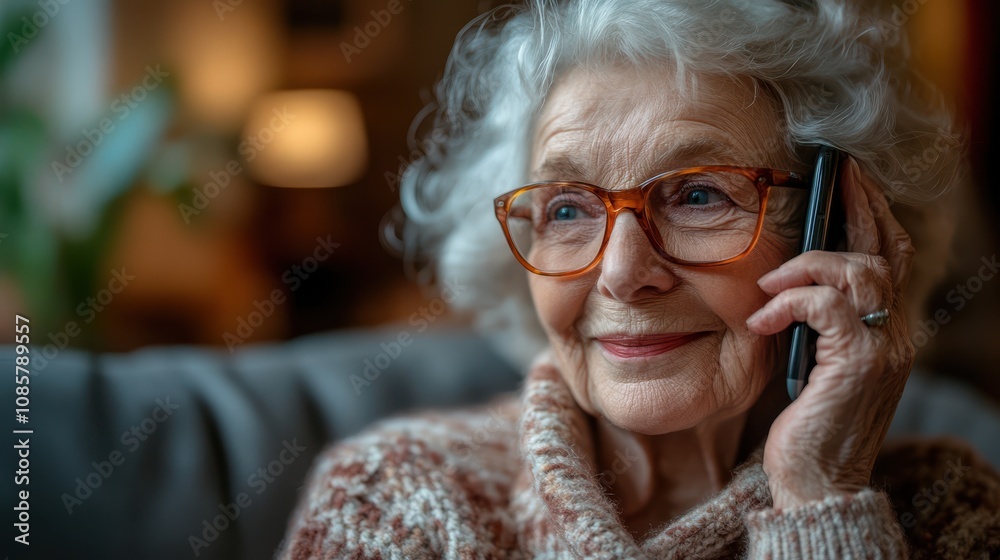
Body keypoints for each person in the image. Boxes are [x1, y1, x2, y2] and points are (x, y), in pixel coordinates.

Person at [279, 1, 1000, 557]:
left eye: (697, 195)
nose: (622, 273)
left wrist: (820, 502)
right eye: (566, 208)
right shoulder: (396, 502)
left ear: (837, 231)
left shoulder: (946, 514)